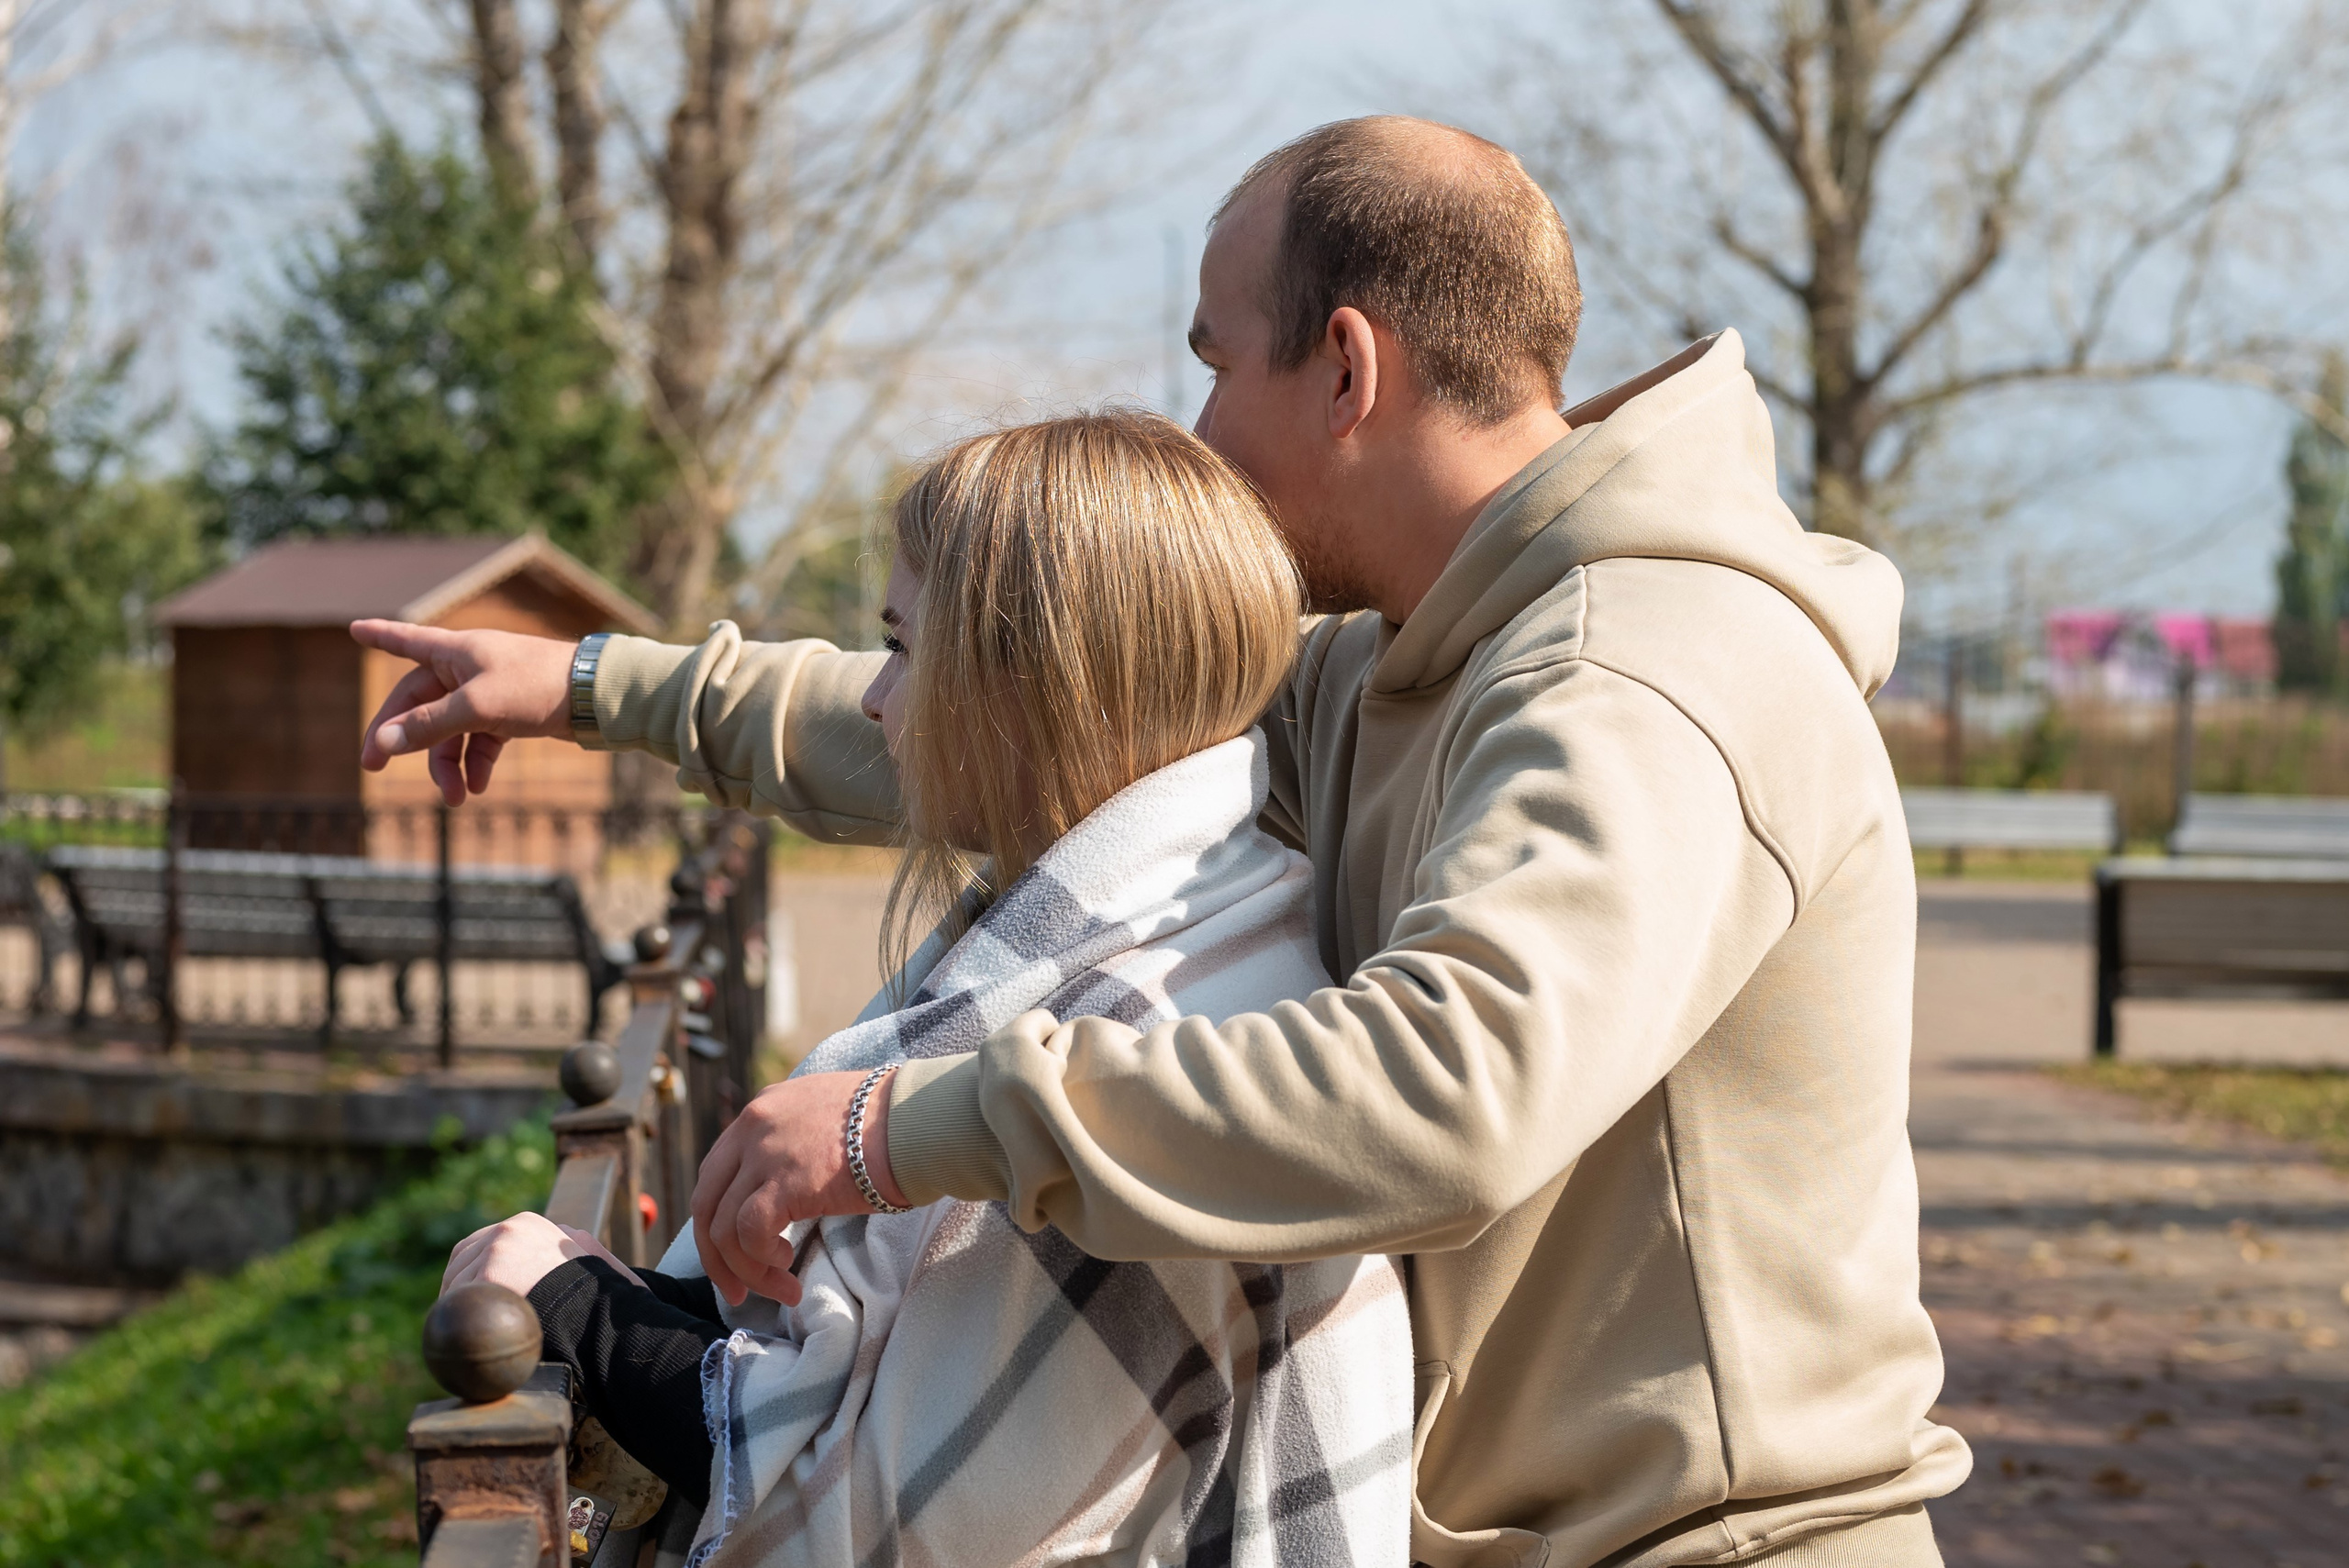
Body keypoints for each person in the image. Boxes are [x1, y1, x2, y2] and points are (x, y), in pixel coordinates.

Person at [362, 117, 1968, 1566]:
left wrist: (901, 1125)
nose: (1198, 431)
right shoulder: (1412, 651)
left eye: (1217, 363)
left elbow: (1454, 1084)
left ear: (1346, 367)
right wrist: (600, 684)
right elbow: (1019, 717)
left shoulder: (1644, 668)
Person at [429, 412, 1415, 1566]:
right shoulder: (1201, 924)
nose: (874, 700)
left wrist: (581, 1310)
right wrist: (621, 1293)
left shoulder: (1128, 1018)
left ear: (1027, 688)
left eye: (900, 646)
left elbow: (897, 1519)